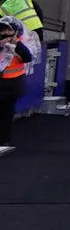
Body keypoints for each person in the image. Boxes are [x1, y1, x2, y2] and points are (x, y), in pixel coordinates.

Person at [0, 19, 26, 155]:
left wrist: (16, 45)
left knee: (6, 115)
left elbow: (27, 57)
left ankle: (5, 141)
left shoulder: (18, 45)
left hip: (11, 86)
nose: (5, 35)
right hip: (3, 85)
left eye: (8, 32)